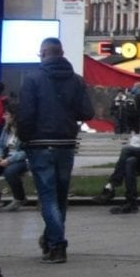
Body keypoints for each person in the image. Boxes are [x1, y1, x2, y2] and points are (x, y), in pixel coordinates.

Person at [14, 37, 94, 263]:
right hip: (66, 144)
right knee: (60, 196)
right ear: (62, 53)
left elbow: (27, 114)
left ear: (44, 53)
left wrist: (25, 138)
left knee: (47, 196)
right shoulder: (77, 81)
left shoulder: (32, 79)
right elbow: (87, 112)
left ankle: (57, 244)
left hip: (40, 144)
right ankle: (50, 239)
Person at [0, 85, 29, 209]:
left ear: (14, 115)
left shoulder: (24, 130)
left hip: (22, 159)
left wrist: (8, 160)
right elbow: (0, 145)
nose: (3, 116)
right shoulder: (6, 129)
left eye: (6, 114)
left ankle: (20, 198)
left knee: (10, 172)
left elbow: (26, 151)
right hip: (5, 158)